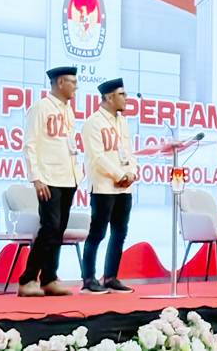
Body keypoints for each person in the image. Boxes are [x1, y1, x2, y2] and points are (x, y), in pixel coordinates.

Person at [19, 66, 83, 297]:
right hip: (48, 177)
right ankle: (27, 279)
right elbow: (30, 144)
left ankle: (49, 278)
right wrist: (36, 178)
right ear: (59, 82)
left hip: (68, 177)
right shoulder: (41, 108)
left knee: (59, 230)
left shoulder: (68, 111)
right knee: (50, 227)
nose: (76, 86)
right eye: (72, 82)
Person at [80, 78, 138, 294]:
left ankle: (111, 276)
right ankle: (88, 279)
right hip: (104, 186)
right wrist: (119, 174)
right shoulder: (93, 122)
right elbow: (96, 157)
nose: (126, 98)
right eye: (122, 94)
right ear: (109, 97)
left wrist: (131, 172)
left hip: (124, 187)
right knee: (97, 233)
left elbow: (129, 151)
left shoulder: (122, 122)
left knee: (120, 232)